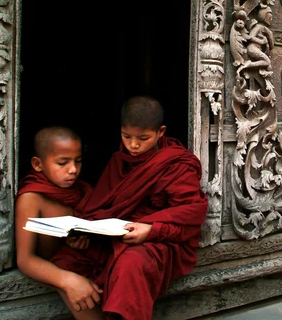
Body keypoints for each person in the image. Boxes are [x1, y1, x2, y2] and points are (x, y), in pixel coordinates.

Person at [51, 96, 209, 320]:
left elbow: (189, 218)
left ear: (160, 132)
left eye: (143, 138)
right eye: (126, 136)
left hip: (160, 240)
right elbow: (103, 207)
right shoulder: (119, 160)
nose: (133, 145)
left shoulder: (176, 164)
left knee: (130, 266)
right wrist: (85, 233)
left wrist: (150, 231)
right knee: (66, 260)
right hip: (118, 235)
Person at [15, 126, 102, 314]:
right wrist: (68, 280)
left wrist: (81, 241)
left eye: (78, 161)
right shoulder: (32, 198)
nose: (73, 170)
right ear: (38, 164)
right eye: (63, 163)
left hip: (84, 262)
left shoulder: (82, 190)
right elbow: (25, 259)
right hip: (60, 271)